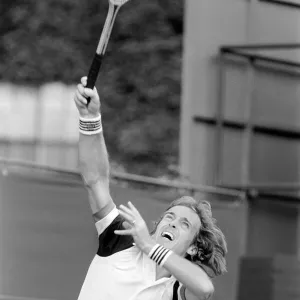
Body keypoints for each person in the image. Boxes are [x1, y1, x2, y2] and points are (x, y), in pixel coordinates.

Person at [74, 76, 227, 300]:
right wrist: (90, 118)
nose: (172, 223)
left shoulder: (177, 291)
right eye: (170, 216)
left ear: (193, 249)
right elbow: (95, 179)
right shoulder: (121, 240)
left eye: (184, 224)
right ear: (156, 228)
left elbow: (205, 289)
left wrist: (149, 246)